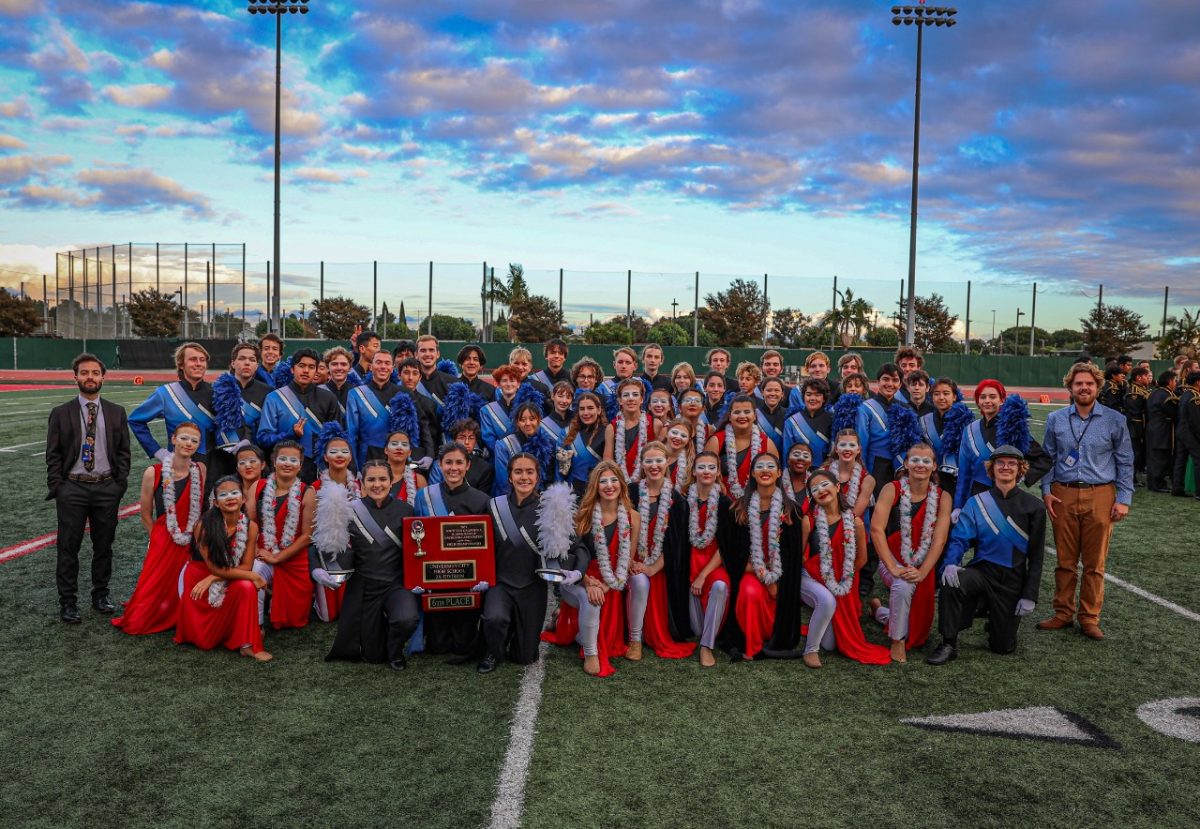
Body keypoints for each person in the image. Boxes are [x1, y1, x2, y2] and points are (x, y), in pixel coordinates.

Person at [1037, 362, 1133, 641]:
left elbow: (1125, 461)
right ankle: (1063, 613)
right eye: (1078, 383)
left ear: (1097, 387)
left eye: (1089, 383)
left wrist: (1124, 498)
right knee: (1065, 561)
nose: (1084, 388)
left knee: (1095, 563)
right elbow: (1048, 457)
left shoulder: (1115, 419)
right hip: (1062, 492)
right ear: (1070, 387)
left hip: (1101, 493)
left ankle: (1089, 617)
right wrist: (1046, 490)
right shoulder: (1056, 418)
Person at [927, 445, 1046, 664]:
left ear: (1020, 470)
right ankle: (948, 643)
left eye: (1012, 464)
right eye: (1000, 463)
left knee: (1002, 648)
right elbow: (959, 538)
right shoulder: (976, 502)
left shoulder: (1035, 506)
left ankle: (991, 614)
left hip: (1012, 580)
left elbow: (1037, 557)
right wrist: (951, 563)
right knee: (951, 581)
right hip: (983, 571)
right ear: (991, 469)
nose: (1006, 467)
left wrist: (1030, 595)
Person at [45, 353, 131, 622]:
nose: (90, 377)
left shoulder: (117, 411)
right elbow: (53, 454)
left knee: (104, 546)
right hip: (73, 488)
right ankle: (68, 602)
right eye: (84, 373)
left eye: (95, 373)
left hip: (106, 487)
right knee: (68, 547)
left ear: (103, 377)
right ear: (76, 377)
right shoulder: (61, 413)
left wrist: (118, 484)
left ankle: (100, 594)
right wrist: (58, 486)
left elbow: (124, 451)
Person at [545, 461, 638, 676]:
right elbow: (570, 557)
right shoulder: (582, 515)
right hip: (582, 575)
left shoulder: (633, 516)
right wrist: (588, 582)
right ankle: (590, 652)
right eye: (603, 481)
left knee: (610, 638)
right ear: (595, 486)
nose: (609, 485)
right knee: (592, 603)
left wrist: (607, 585)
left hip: (613, 578)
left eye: (614, 480)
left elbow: (628, 559)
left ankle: (560, 617)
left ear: (622, 484)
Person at [326, 460, 420, 670]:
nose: (377, 484)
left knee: (407, 619)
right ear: (362, 483)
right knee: (373, 656)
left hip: (396, 584)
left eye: (382, 479)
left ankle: (395, 652)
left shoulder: (406, 509)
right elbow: (324, 543)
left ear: (391, 481)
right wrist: (319, 568)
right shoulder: (349, 511)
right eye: (371, 479)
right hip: (364, 587)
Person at [113, 421, 205, 636]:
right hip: (164, 534)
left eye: (194, 441)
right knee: (152, 588)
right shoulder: (153, 472)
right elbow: (145, 513)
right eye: (184, 438)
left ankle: (176, 613)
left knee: (183, 581)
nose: (188, 443)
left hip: (191, 535)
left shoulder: (200, 469)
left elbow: (199, 506)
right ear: (173, 439)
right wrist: (157, 538)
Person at [868, 442, 952, 661]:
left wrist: (923, 571)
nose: (920, 465)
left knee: (917, 622)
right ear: (906, 463)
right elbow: (876, 530)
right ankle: (898, 641)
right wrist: (892, 566)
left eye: (926, 461)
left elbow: (939, 539)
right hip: (891, 559)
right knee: (903, 586)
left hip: (924, 564)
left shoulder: (943, 497)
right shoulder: (891, 488)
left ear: (934, 466)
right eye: (915, 460)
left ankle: (879, 611)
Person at [716, 453, 803, 660]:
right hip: (748, 570)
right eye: (760, 467)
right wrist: (764, 576)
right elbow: (732, 552)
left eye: (770, 466)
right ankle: (752, 646)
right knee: (749, 592)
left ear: (779, 473)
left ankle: (772, 636)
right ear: (753, 473)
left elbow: (793, 555)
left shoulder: (791, 511)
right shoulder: (738, 509)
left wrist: (775, 581)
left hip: (781, 575)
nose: (765, 470)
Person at [174, 477, 271, 661]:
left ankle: (248, 645)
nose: (230, 498)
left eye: (235, 493)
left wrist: (212, 578)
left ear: (243, 499)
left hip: (221, 577)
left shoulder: (251, 527)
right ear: (216, 503)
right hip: (199, 581)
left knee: (246, 586)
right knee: (206, 642)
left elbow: (246, 566)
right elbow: (213, 567)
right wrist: (252, 576)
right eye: (223, 495)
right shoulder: (203, 526)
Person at [800, 469, 890, 666]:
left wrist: (843, 577)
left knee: (831, 645)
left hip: (841, 580)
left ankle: (824, 620)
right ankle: (810, 651)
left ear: (838, 487)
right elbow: (799, 557)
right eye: (815, 489)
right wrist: (820, 580)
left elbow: (862, 559)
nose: (821, 490)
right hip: (810, 577)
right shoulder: (809, 521)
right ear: (811, 496)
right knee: (826, 600)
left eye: (825, 484)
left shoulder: (855, 522)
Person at [413, 442, 491, 656]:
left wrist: (483, 576)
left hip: (468, 580)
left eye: (459, 462)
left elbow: (487, 545)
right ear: (439, 465)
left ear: (468, 465)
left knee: (463, 646)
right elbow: (417, 538)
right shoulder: (424, 496)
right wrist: (418, 576)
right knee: (438, 647)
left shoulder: (482, 500)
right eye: (448, 463)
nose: (453, 468)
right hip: (436, 579)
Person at [479, 454, 550, 673]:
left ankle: (514, 633)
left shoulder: (549, 508)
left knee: (525, 657)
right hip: (501, 582)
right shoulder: (494, 506)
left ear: (537, 476)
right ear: (509, 477)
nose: (524, 477)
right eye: (518, 472)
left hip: (532, 585)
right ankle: (493, 649)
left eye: (530, 472)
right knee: (494, 618)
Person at [627, 442, 695, 661]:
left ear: (667, 463)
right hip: (628, 559)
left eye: (659, 460)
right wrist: (628, 561)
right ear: (642, 464)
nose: (654, 465)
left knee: (649, 585)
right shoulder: (631, 492)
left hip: (659, 565)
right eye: (649, 461)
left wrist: (651, 568)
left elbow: (677, 546)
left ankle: (640, 637)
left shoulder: (678, 502)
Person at [954, 379, 1051, 511]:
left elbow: (1044, 460)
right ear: (977, 401)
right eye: (982, 397)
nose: (987, 401)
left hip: (1005, 496)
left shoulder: (1012, 428)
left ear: (1002, 400)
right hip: (976, 495)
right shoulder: (970, 430)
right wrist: (958, 506)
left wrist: (1021, 476)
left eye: (993, 396)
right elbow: (964, 473)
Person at [253, 440, 317, 630]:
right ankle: (256, 625)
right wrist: (258, 551)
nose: (287, 463)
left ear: (300, 465)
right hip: (262, 552)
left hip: (293, 557)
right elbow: (248, 525)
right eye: (283, 458)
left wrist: (278, 557)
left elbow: (307, 536)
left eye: (293, 460)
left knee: (295, 619)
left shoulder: (307, 491)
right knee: (252, 575)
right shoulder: (258, 487)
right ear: (274, 461)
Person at [257, 347, 341, 484]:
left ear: (316, 371)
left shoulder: (328, 398)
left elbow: (336, 438)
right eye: (301, 366)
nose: (306, 371)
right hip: (285, 469)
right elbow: (263, 438)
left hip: (320, 471)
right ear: (292, 369)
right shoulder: (274, 398)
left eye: (311, 367)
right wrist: (290, 434)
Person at [129, 342, 216, 466]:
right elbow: (135, 420)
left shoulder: (217, 393)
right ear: (181, 365)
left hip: (215, 465)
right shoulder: (166, 394)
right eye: (193, 359)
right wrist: (157, 451)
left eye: (202, 360)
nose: (198, 364)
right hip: (178, 467)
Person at [309, 424, 361, 623]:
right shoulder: (313, 489)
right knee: (328, 616)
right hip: (324, 556)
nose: (339, 455)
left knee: (351, 613)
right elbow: (308, 533)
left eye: (344, 451)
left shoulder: (361, 487)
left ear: (350, 457)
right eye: (333, 451)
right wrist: (315, 567)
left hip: (353, 555)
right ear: (325, 457)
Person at [684, 450, 730, 667]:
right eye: (701, 467)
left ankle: (706, 646)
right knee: (695, 629)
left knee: (720, 586)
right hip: (689, 562)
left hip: (714, 563)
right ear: (693, 471)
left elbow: (725, 547)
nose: (706, 472)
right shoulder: (684, 500)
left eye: (712, 467)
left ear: (718, 471)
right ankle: (704, 634)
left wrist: (703, 575)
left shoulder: (725, 503)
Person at [210, 342, 272, 484]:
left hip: (254, 457)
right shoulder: (217, 389)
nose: (247, 363)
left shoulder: (268, 392)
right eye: (242, 358)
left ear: (257, 365)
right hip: (222, 457)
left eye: (252, 360)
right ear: (233, 363)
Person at [346, 349, 406, 470]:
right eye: (378, 362)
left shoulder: (403, 393)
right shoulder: (356, 394)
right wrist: (353, 466)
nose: (383, 366)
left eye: (387, 363)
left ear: (392, 367)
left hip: (396, 457)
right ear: (371, 366)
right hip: (365, 458)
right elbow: (351, 434)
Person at [706, 394, 775, 498]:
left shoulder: (766, 443)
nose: (742, 416)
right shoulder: (717, 441)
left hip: (755, 503)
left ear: (755, 415)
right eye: (737, 412)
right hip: (721, 502)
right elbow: (704, 474)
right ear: (730, 416)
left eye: (747, 412)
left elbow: (775, 477)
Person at [855, 362, 902, 497]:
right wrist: (863, 472)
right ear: (877, 382)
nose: (890, 384)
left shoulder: (905, 408)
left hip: (898, 467)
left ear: (900, 384)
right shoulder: (865, 408)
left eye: (895, 380)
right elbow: (862, 443)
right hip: (874, 466)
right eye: (885, 379)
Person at [921, 377, 975, 493]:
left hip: (958, 479)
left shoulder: (965, 420)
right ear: (931, 397)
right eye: (936, 394)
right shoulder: (924, 421)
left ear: (954, 397)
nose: (941, 398)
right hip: (932, 477)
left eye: (946, 393)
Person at [493, 402, 555, 496]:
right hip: (512, 498)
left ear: (539, 420)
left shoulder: (547, 443)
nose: (528, 423)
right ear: (517, 422)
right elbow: (503, 482)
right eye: (522, 420)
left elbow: (549, 477)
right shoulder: (504, 445)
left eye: (532, 419)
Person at [603, 378, 652, 483]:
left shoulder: (653, 424)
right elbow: (608, 462)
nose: (630, 399)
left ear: (642, 399)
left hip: (647, 485)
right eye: (626, 395)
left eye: (635, 394)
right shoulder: (611, 427)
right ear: (620, 400)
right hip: (619, 484)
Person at [558, 391, 605, 495]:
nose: (586, 413)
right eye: (582, 409)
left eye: (590, 408)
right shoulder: (566, 433)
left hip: (599, 491)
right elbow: (561, 470)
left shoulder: (608, 431)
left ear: (599, 410)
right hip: (573, 492)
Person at [395, 355, 443, 453]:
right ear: (399, 375)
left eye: (415, 373)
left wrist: (429, 455)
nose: (410, 377)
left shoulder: (429, 404)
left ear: (420, 377)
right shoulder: (391, 398)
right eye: (406, 373)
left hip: (419, 454)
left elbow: (432, 436)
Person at [430, 419, 492, 493]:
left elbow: (482, 499)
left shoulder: (484, 468)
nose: (466, 442)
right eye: (462, 437)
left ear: (476, 441)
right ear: (454, 439)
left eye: (471, 438)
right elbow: (433, 494)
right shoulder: (439, 465)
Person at [783, 377, 832, 467]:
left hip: (824, 474)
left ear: (824, 398)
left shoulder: (832, 420)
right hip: (798, 473)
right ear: (803, 397)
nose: (812, 398)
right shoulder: (791, 422)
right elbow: (787, 454)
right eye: (809, 394)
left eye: (817, 395)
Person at [479, 363, 526, 452]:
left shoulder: (526, 409)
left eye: (512, 380)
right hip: (498, 456)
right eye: (504, 380)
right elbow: (488, 439)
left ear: (518, 384)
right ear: (499, 384)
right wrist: (503, 452)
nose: (508, 384)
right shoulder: (486, 410)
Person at [1147, 370, 1179, 492]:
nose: (1175, 383)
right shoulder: (1167, 395)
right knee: (1161, 457)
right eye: (1174, 380)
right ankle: (1158, 484)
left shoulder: (1154, 393)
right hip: (1163, 429)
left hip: (1152, 427)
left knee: (1153, 456)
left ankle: (1153, 482)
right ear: (1169, 381)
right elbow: (1173, 413)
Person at [1172, 371, 1200, 498]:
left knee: (1180, 460)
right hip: (1191, 434)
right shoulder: (1195, 397)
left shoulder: (1185, 394)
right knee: (1198, 460)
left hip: (1181, 431)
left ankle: (1177, 489)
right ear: (1198, 382)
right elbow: (1196, 420)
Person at [384, 427, 427, 505]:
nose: (399, 448)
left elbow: (424, 511)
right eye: (394, 444)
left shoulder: (419, 480)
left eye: (404, 444)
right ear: (386, 450)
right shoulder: (373, 477)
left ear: (409, 453)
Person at [1124, 365, 1152, 486]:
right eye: (1146, 376)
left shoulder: (1143, 389)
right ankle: (1130, 479)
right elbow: (1135, 412)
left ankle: (1133, 477)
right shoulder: (1134, 392)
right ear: (1139, 378)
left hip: (1142, 427)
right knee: (1134, 453)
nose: (1148, 378)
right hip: (1135, 427)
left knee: (1138, 453)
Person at [414, 334, 459, 405]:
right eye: (423, 350)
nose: (427, 354)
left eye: (431, 350)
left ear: (438, 354)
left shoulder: (453, 383)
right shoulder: (409, 382)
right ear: (416, 355)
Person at [321, 345, 362, 417]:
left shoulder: (358, 392)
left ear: (349, 368)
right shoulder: (319, 391)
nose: (339, 368)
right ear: (327, 367)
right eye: (334, 364)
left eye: (343, 364)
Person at [755, 377, 789, 454]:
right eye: (769, 390)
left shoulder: (788, 414)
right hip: (758, 459)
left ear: (782, 394)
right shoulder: (754, 414)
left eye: (777, 390)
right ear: (762, 392)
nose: (773, 393)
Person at [662, 417, 695, 492]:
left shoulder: (690, 465)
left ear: (688, 440)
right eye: (674, 433)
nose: (678, 437)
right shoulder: (652, 452)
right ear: (667, 433)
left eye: (683, 436)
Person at [234, 444, 266, 520]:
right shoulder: (231, 489)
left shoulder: (271, 489)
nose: (247, 466)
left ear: (262, 465)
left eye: (252, 461)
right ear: (237, 469)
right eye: (242, 463)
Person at [677, 389, 709, 456]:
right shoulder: (669, 429)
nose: (692, 403)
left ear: (703, 408)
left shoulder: (709, 430)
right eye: (687, 400)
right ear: (679, 407)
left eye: (697, 401)